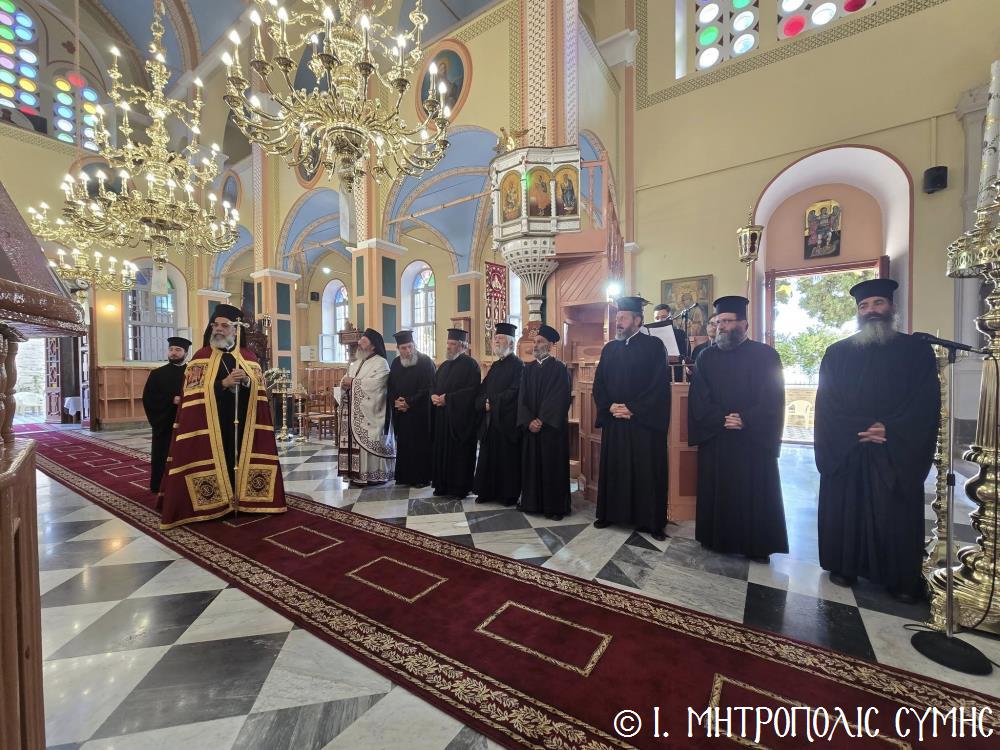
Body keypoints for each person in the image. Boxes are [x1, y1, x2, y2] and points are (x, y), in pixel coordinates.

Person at [814, 278, 939, 602]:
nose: (871, 310)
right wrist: (860, 428)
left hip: (894, 448)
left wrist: (891, 428)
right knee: (847, 508)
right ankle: (844, 566)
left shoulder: (916, 351)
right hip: (849, 447)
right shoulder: (838, 353)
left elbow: (925, 402)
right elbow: (827, 403)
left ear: (892, 307)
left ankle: (898, 578)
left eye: (877, 303)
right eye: (864, 305)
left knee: (894, 512)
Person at [158, 304, 286, 530]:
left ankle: (244, 499)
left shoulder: (249, 358)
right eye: (215, 325)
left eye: (224, 326)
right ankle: (215, 503)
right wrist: (223, 384)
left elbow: (259, 394)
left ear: (236, 330)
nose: (218, 329)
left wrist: (246, 381)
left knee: (238, 457)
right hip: (210, 425)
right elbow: (192, 395)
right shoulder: (201, 357)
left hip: (243, 425)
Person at [688, 296, 788, 563]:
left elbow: (773, 396)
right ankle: (715, 539)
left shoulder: (766, 355)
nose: (721, 326)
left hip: (752, 439)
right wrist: (721, 419)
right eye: (718, 321)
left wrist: (746, 419)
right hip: (717, 436)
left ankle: (757, 545)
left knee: (753, 491)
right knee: (718, 489)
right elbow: (699, 397)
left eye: (727, 321)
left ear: (744, 324)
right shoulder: (706, 357)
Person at [593, 296, 670, 540]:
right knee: (614, 469)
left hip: (642, 424)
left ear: (637, 320)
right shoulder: (609, 349)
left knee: (646, 472)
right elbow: (599, 384)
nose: (618, 322)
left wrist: (633, 408)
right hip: (615, 422)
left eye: (623, 318)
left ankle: (651, 522)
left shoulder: (654, 346)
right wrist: (609, 406)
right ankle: (610, 514)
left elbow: (659, 386)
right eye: (617, 317)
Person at [518, 324, 572, 520]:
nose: (536, 345)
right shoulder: (528, 369)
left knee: (552, 468)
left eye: (540, 342)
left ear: (550, 345)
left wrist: (542, 419)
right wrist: (528, 420)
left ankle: (554, 508)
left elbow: (560, 398)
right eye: (535, 342)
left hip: (551, 430)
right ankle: (531, 504)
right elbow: (522, 398)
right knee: (532, 467)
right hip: (532, 428)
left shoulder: (559, 369)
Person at [473, 323, 524, 505]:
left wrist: (492, 403)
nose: (496, 341)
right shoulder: (495, 366)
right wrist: (483, 402)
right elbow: (482, 389)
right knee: (488, 457)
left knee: (506, 459)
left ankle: (507, 495)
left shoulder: (518, 365)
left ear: (510, 343)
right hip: (490, 421)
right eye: (495, 338)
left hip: (506, 421)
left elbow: (515, 391)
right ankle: (486, 492)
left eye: (500, 338)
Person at [338, 328, 395, 487]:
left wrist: (353, 383)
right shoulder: (355, 363)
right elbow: (346, 380)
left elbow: (378, 386)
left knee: (370, 437)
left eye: (363, 341)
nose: (358, 343)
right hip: (353, 411)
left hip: (372, 412)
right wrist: (344, 383)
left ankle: (372, 474)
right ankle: (354, 474)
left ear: (373, 346)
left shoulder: (381, 363)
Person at [430, 328, 482, 499]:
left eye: (452, 344)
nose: (449, 347)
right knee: (441, 452)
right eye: (448, 343)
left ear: (462, 346)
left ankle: (459, 488)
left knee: (459, 455)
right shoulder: (444, 366)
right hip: (442, 418)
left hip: (460, 421)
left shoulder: (471, 365)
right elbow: (433, 385)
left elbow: (472, 391)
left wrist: (448, 399)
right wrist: (433, 396)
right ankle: (441, 485)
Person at [142, 336, 191, 494]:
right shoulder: (157, 374)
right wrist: (171, 399)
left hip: (187, 421)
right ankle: (159, 485)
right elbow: (149, 398)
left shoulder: (192, 373)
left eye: (178, 350)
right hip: (164, 422)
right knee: (162, 454)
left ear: (186, 353)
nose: (173, 353)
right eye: (171, 349)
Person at [387, 330, 436, 487]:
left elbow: (428, 388)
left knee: (420, 445)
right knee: (404, 444)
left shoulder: (425, 362)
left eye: (410, 346)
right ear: (398, 349)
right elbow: (390, 386)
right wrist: (396, 402)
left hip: (420, 412)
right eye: (404, 348)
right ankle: (404, 477)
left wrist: (409, 402)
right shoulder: (396, 363)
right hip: (402, 412)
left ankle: (422, 478)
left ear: (414, 345)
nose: (408, 351)